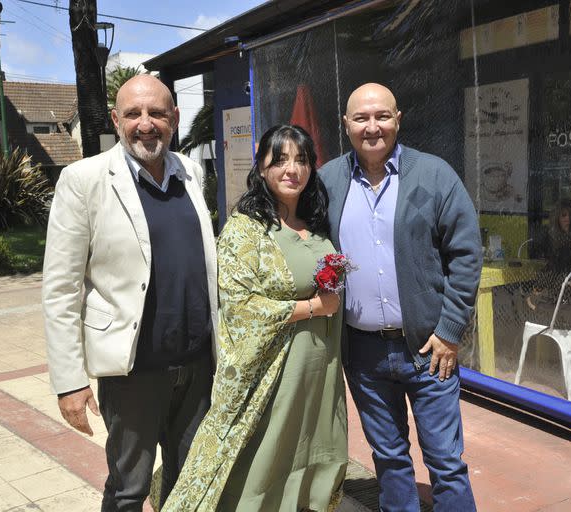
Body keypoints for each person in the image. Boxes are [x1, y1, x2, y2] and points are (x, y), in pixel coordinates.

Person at [41, 74, 217, 511]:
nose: (146, 123)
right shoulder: (84, 180)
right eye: (134, 113)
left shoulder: (191, 173)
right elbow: (61, 289)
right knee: (128, 490)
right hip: (132, 372)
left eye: (157, 113)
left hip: (197, 368)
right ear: (117, 120)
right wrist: (69, 382)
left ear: (174, 119)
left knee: (191, 484)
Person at [163, 124, 347, 511]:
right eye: (279, 160)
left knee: (312, 452)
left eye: (301, 160)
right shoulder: (246, 231)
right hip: (272, 376)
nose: (291, 169)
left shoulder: (316, 224)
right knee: (264, 461)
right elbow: (240, 307)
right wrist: (314, 307)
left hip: (319, 371)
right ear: (261, 169)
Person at [319, 83, 482, 511]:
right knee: (389, 460)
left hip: (429, 350)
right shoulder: (328, 181)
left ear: (398, 119)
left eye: (382, 116)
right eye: (361, 118)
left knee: (445, 462)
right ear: (346, 125)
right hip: (364, 353)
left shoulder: (434, 175)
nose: (372, 127)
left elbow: (465, 254)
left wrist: (449, 331)